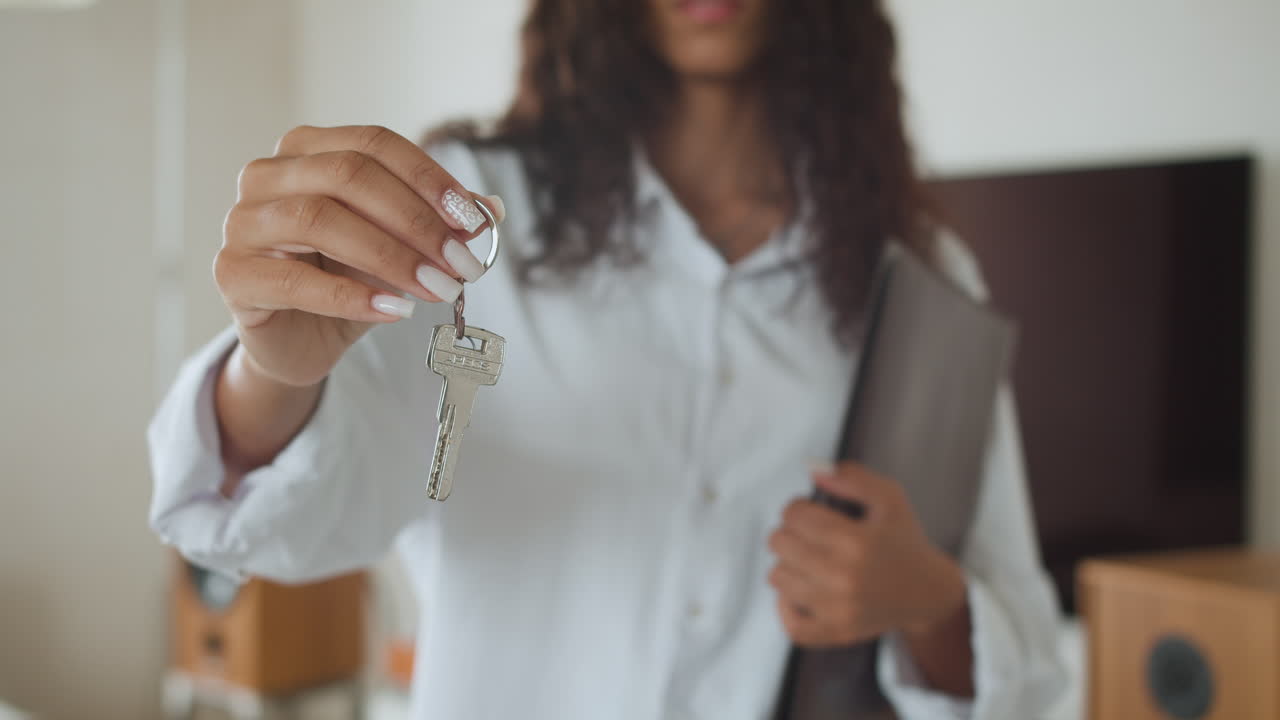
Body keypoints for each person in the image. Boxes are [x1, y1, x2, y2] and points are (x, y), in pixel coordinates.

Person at [149, 0, 1064, 717]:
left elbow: (1029, 660)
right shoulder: (469, 216)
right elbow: (311, 519)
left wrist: (928, 602)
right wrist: (273, 374)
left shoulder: (923, 280)